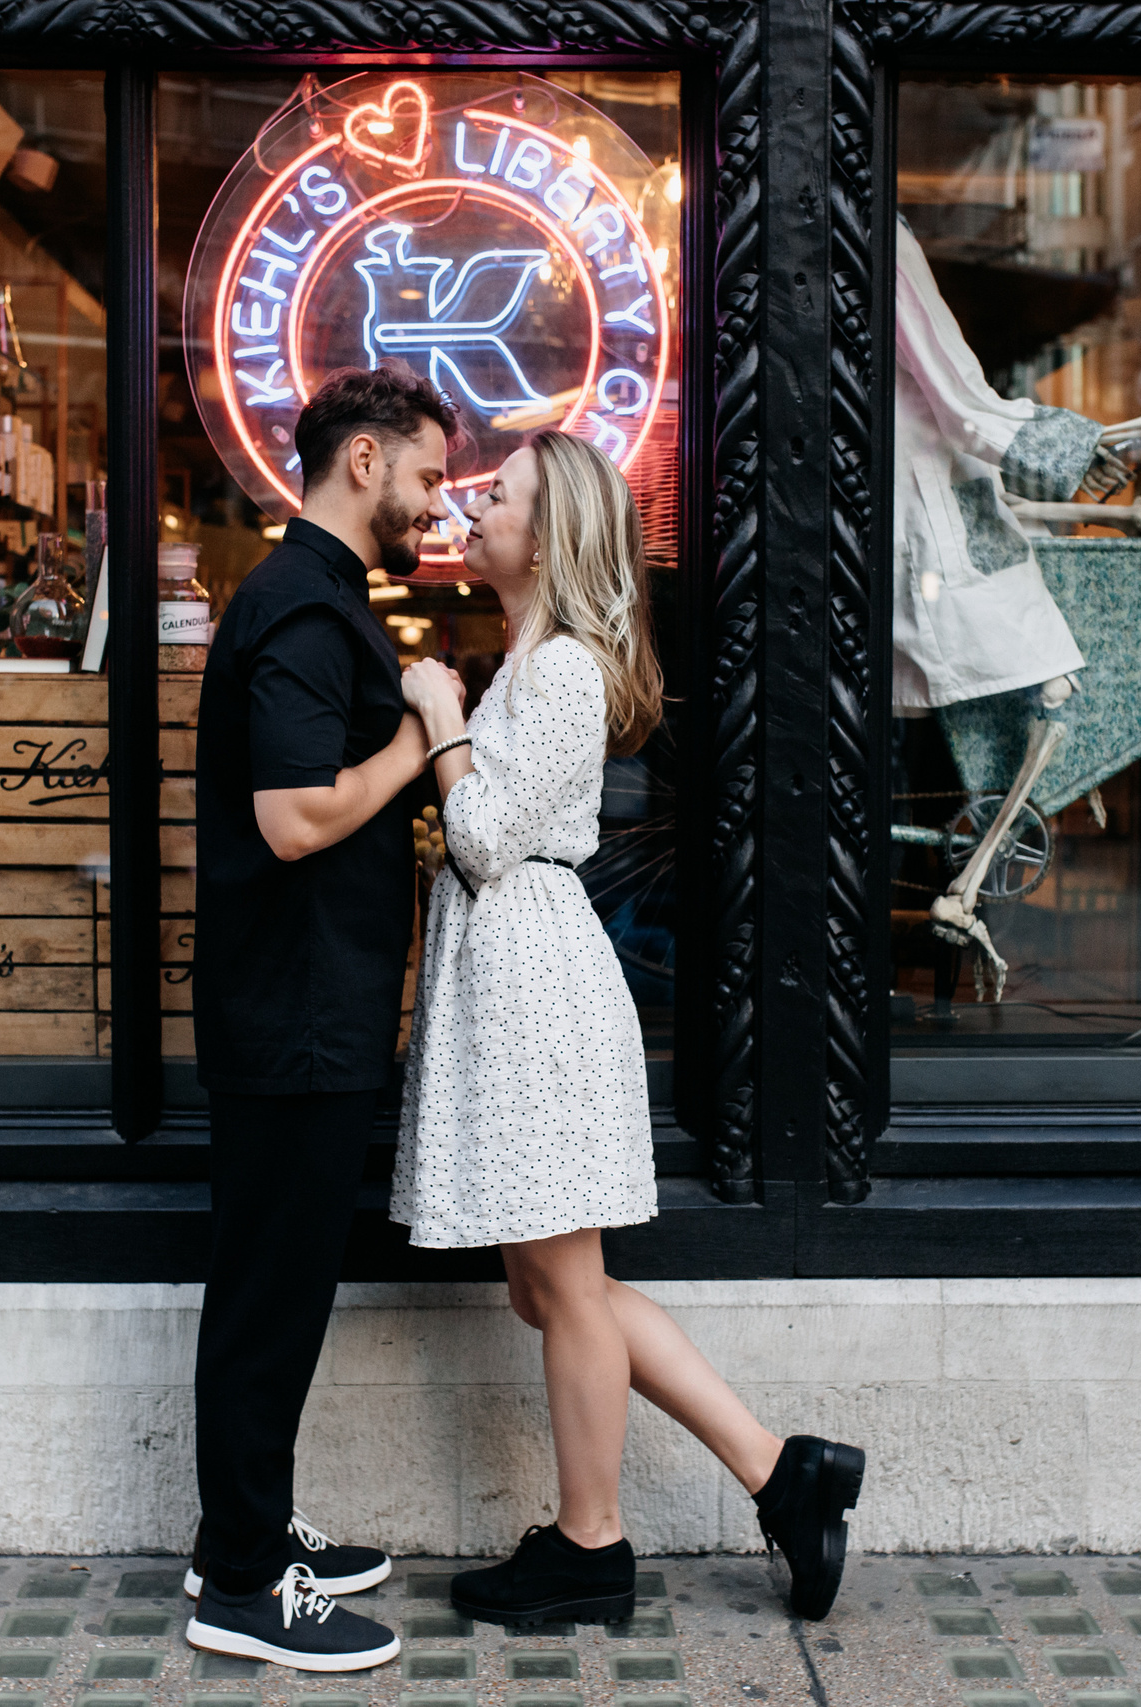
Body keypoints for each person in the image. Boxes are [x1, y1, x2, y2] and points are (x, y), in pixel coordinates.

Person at [392, 430, 868, 1629]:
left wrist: (440, 720)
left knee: (567, 1288)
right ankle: (780, 1470)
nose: (475, 505)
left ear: (548, 538)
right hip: (513, 984)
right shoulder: (527, 662)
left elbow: (487, 840)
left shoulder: (553, 673)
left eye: (497, 495)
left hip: (536, 989)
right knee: (557, 1291)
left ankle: (593, 1543)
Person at [183, 362, 461, 1673]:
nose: (435, 499)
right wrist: (423, 730)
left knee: (277, 1291)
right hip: (293, 1014)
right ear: (365, 460)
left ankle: (243, 1529)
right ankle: (239, 1580)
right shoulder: (299, 606)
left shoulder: (320, 596)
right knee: (268, 1298)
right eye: (425, 473)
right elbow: (293, 817)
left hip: (307, 1006)